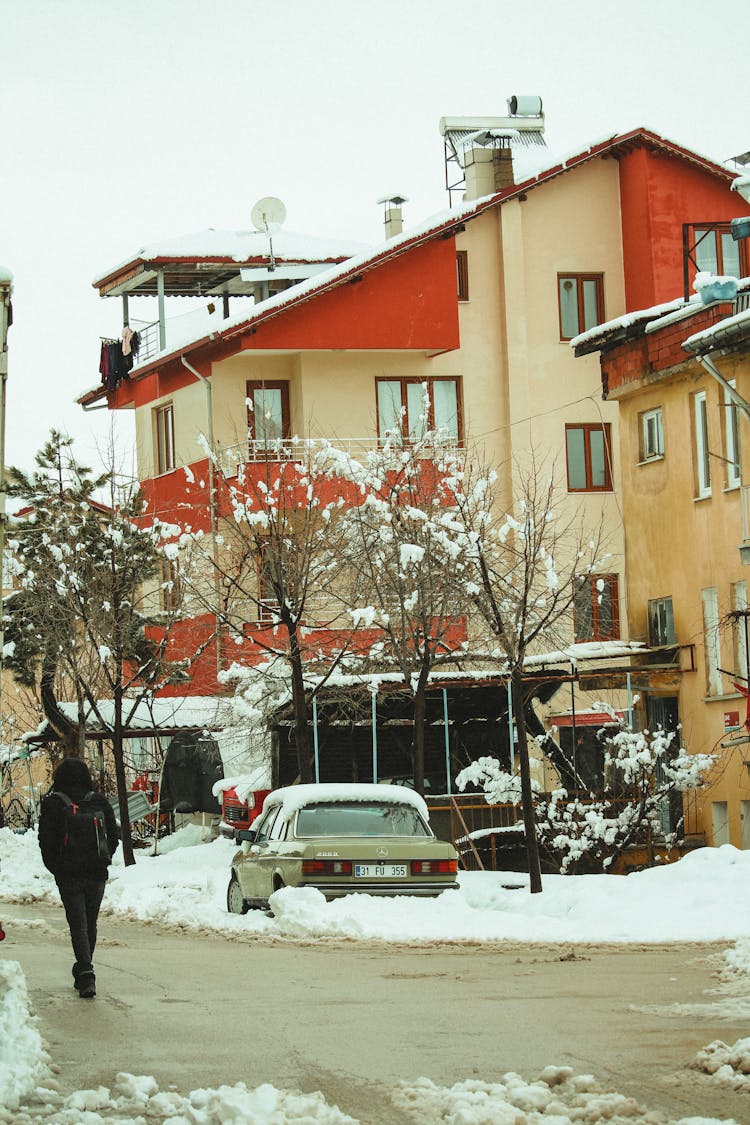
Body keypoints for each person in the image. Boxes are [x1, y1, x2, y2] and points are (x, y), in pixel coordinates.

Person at [38, 757, 119, 999]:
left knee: (78, 923)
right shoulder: (98, 801)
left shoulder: (53, 803)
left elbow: (45, 840)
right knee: (89, 922)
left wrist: (56, 867)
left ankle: (86, 972)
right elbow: (113, 836)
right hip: (96, 873)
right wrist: (104, 859)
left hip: (69, 874)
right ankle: (84, 968)